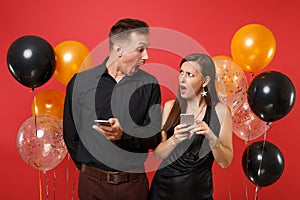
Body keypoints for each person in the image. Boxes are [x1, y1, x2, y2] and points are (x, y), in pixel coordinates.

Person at [63, 18, 162, 200]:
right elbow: (70, 135)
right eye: (140, 49)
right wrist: (90, 169)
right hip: (92, 185)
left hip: (133, 186)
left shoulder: (150, 84)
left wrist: (123, 136)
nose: (146, 56)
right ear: (118, 49)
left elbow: (154, 136)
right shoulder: (81, 82)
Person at [149, 53, 233, 200]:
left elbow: (225, 162)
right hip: (162, 192)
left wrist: (211, 136)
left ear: (205, 81)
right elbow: (158, 154)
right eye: (181, 72)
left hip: (199, 194)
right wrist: (174, 139)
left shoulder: (220, 112)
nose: (182, 79)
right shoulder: (170, 107)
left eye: (189, 75)